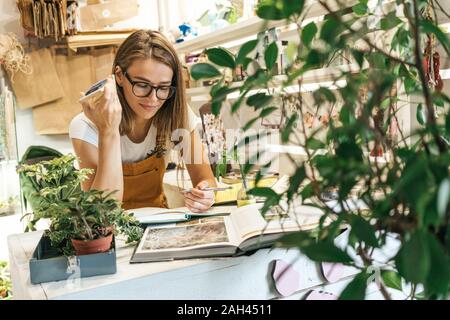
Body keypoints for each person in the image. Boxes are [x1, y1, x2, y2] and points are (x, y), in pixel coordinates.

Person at [69, 30, 216, 212]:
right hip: (109, 234)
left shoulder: (175, 112)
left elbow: (206, 179)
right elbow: (102, 214)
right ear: (120, 76)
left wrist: (206, 194)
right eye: (142, 85)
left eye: (163, 88)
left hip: (158, 223)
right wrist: (109, 131)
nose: (153, 99)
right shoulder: (85, 126)